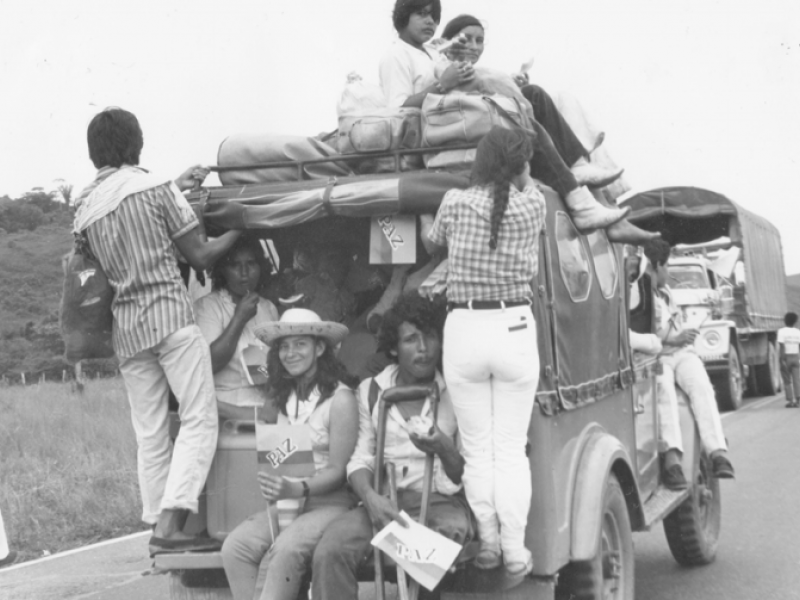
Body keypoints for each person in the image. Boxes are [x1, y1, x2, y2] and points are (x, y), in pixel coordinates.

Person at [76, 107, 243, 554]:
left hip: (127, 333)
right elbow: (203, 256)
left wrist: (177, 184)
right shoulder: (157, 187)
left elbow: (128, 207)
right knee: (198, 418)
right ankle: (172, 524)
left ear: (95, 154)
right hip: (170, 319)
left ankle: (156, 525)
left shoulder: (84, 209)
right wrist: (239, 229)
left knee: (149, 432)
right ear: (137, 144)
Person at [423, 126, 542, 576]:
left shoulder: (454, 202)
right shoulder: (533, 205)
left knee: (476, 449)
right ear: (520, 166)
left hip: (466, 329)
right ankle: (515, 550)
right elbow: (525, 186)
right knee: (510, 450)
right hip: (513, 327)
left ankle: (488, 543)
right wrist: (523, 174)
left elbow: (434, 243)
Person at [437, 13, 660, 246]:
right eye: (466, 40)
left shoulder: (469, 72)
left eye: (479, 40)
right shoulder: (441, 67)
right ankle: (593, 194)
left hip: (487, 121)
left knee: (550, 97)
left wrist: (512, 84)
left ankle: (584, 175)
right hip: (477, 131)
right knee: (538, 113)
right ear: (449, 42)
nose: (473, 47)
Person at [312, 292, 474, 600]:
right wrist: (371, 499)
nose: (423, 349)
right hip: (384, 501)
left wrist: (443, 446)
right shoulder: (371, 390)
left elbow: (465, 474)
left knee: (438, 541)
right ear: (393, 348)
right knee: (330, 551)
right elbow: (360, 460)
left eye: (430, 337)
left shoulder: (458, 391)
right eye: (411, 339)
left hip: (441, 503)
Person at [221, 309, 359, 600]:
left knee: (284, 550)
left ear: (320, 348)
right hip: (289, 502)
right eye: (284, 345)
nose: (290, 353)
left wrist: (297, 487)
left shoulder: (340, 399)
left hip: (330, 504)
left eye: (300, 344)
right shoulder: (284, 396)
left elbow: (338, 470)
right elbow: (278, 456)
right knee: (236, 547)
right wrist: (274, 481)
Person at [643, 239, 735, 479]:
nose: (668, 273)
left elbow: (674, 324)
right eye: (667, 267)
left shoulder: (666, 293)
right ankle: (673, 456)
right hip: (657, 357)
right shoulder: (639, 295)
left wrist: (681, 336)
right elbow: (648, 335)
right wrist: (674, 338)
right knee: (664, 392)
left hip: (681, 353)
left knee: (702, 386)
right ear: (657, 265)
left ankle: (718, 452)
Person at [194, 237, 280, 422]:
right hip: (224, 406)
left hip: (267, 406)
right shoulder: (208, 307)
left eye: (251, 263)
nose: (244, 272)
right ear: (223, 271)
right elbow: (210, 364)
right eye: (235, 265)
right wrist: (239, 319)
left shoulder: (268, 308)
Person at [778, 311, 800, 408]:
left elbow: (782, 347)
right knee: (797, 380)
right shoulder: (797, 332)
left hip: (786, 357)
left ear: (785, 320)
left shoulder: (781, 331)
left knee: (787, 381)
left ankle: (790, 401)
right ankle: (798, 400)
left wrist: (782, 360)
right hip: (796, 357)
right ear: (795, 321)